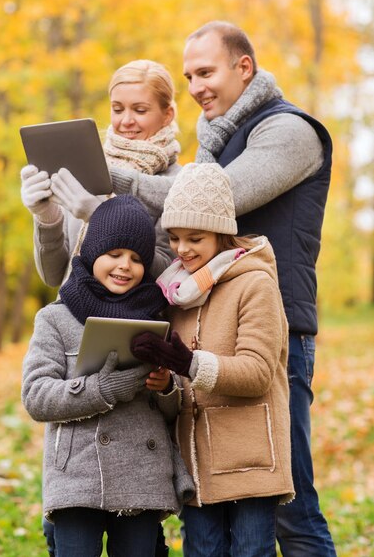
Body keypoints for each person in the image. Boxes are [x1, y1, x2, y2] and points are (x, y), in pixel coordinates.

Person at [108, 21, 336, 556]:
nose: (195, 86)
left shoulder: (290, 131)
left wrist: (112, 177)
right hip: (205, 329)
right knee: (211, 495)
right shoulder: (217, 143)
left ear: (244, 67)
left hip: (273, 333)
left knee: (289, 504)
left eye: (206, 71)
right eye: (188, 75)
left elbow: (213, 196)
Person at [129, 163, 294, 557]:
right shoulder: (177, 293)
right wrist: (167, 382)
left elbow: (256, 374)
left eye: (195, 238)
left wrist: (188, 364)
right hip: (196, 463)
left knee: (252, 551)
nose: (182, 249)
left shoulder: (255, 284)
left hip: (250, 458)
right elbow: (181, 387)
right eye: (174, 238)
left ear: (221, 233)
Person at [21, 194, 194, 557]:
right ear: (91, 252)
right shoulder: (55, 317)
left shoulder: (158, 316)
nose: (124, 266)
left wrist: (165, 389)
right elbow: (36, 396)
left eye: (136, 259)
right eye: (114, 254)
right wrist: (101, 388)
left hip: (142, 477)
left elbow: (172, 409)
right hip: (77, 478)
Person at [20, 59, 181, 287]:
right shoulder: (86, 170)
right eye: (117, 109)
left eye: (140, 110)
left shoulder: (177, 182)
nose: (126, 120)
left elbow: (166, 273)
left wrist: (100, 218)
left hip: (133, 319)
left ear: (168, 115)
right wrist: (46, 216)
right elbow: (54, 276)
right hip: (70, 316)